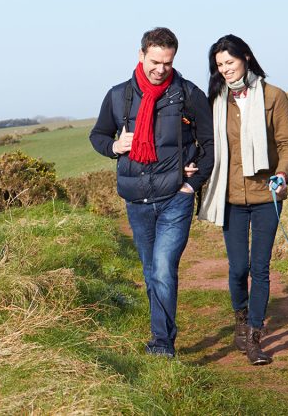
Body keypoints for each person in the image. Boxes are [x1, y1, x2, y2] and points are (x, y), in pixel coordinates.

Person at [90, 27, 214, 358]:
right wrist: (116, 145)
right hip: (137, 202)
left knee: (162, 267)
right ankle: (162, 332)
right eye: (155, 61)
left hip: (175, 198)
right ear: (141, 55)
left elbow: (211, 144)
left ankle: (162, 343)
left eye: (168, 63)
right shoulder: (118, 96)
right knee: (149, 272)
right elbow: (98, 136)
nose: (161, 69)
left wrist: (192, 182)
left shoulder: (188, 94)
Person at [198, 34, 288, 365]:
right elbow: (204, 143)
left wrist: (282, 174)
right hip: (229, 198)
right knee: (239, 267)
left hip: (265, 195)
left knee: (261, 267)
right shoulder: (215, 100)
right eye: (219, 65)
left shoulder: (273, 96)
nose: (225, 69)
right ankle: (240, 319)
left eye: (230, 62)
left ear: (246, 58)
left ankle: (255, 335)